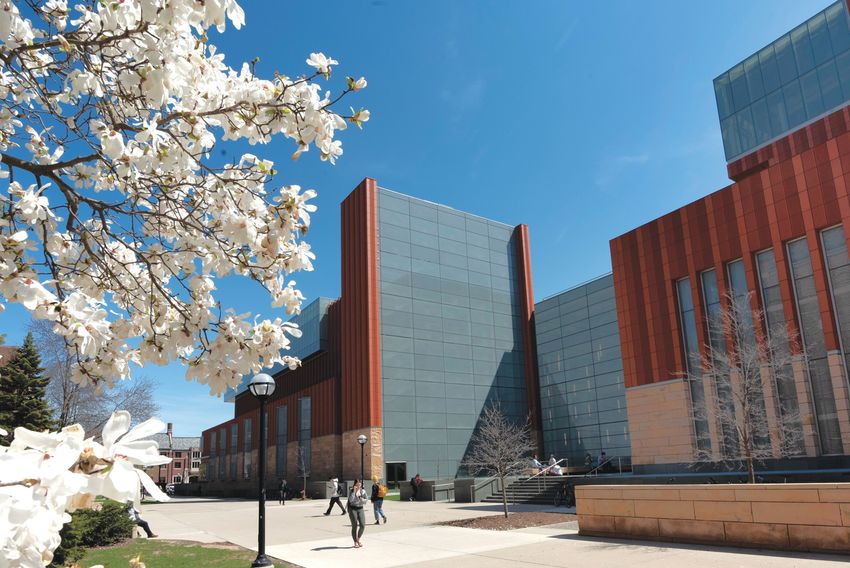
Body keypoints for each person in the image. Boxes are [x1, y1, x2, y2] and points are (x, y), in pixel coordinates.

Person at [347, 478, 369, 548]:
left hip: (360, 508)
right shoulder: (351, 491)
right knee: (354, 526)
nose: (358, 484)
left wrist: (361, 498)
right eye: (357, 483)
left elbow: (366, 500)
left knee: (362, 525)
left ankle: (358, 539)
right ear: (355, 484)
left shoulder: (363, 491)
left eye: (359, 483)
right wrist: (354, 492)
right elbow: (351, 500)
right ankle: (355, 542)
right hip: (353, 509)